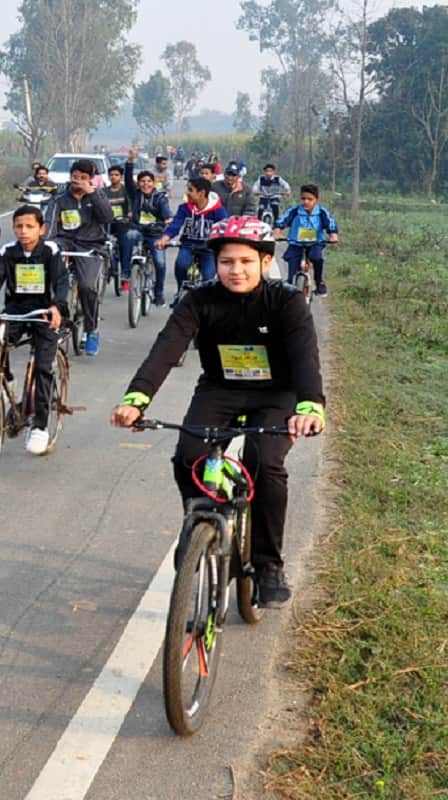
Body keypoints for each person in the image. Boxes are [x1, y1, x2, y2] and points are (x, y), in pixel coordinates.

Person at [110, 216, 325, 607]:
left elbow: (306, 358)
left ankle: (267, 565)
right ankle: (200, 524)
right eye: (227, 262)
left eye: (245, 261)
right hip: (220, 389)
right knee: (188, 455)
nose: (235, 270)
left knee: (266, 463)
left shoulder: (287, 301)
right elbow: (166, 348)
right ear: (216, 264)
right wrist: (135, 400)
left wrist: (310, 407)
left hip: (277, 394)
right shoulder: (200, 299)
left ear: (264, 262)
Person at [0, 205, 68, 455]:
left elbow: (61, 281)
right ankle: (7, 384)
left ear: (41, 229)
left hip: (45, 312)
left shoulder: (51, 251)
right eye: (18, 226)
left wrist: (57, 307)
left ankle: (39, 426)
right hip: (17, 308)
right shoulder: (7, 252)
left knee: (44, 368)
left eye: (29, 226)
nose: (23, 232)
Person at [52, 158, 114, 355]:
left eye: (83, 178)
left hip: (90, 245)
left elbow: (107, 218)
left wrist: (93, 194)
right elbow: (49, 224)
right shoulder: (60, 199)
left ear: (91, 180)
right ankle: (55, 320)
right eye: (74, 177)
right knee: (49, 280)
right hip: (64, 242)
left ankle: (92, 328)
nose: (77, 181)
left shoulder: (97, 196)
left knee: (87, 286)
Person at [157, 177, 228, 296]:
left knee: (209, 278)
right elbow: (175, 225)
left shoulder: (218, 210)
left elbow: (224, 229)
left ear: (202, 193)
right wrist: (165, 239)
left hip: (208, 249)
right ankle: (180, 291)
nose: (187, 193)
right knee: (181, 265)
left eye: (190, 190)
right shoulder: (184, 208)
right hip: (188, 245)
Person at [274, 184, 340, 296]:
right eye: (303, 199)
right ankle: (291, 286)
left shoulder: (321, 212)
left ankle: (319, 283)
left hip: (315, 243)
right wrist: (277, 232)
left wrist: (333, 235)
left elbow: (331, 224)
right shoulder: (295, 211)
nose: (306, 202)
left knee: (317, 258)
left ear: (317, 200)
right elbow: (282, 220)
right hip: (296, 243)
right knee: (292, 269)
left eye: (310, 199)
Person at [127, 170, 173, 306]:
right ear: (138, 183)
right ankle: (125, 269)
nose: (145, 184)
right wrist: (130, 162)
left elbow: (166, 214)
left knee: (160, 263)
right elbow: (128, 180)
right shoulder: (135, 195)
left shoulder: (160, 198)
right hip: (139, 230)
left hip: (155, 234)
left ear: (153, 183)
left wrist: (167, 220)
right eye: (142, 181)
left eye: (148, 181)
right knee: (128, 236)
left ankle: (158, 293)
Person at [103, 162, 133, 287]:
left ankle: (125, 276)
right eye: (111, 175)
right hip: (108, 223)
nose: (113, 177)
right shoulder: (103, 192)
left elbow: (131, 205)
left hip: (123, 223)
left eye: (116, 175)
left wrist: (130, 213)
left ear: (121, 176)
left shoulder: (126, 191)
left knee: (125, 247)